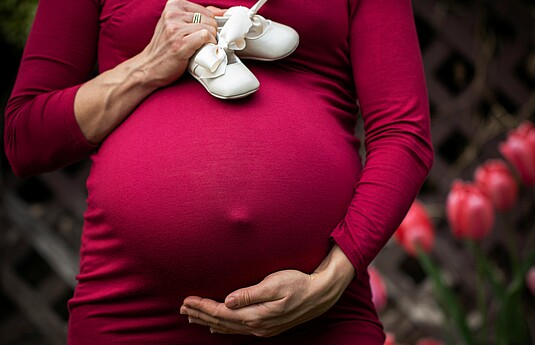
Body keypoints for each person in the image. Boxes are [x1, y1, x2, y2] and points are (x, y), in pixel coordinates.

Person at [4, 0, 434, 344]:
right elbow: (26, 139)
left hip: (320, 316)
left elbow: (403, 133)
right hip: (131, 311)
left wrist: (331, 279)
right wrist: (148, 66)